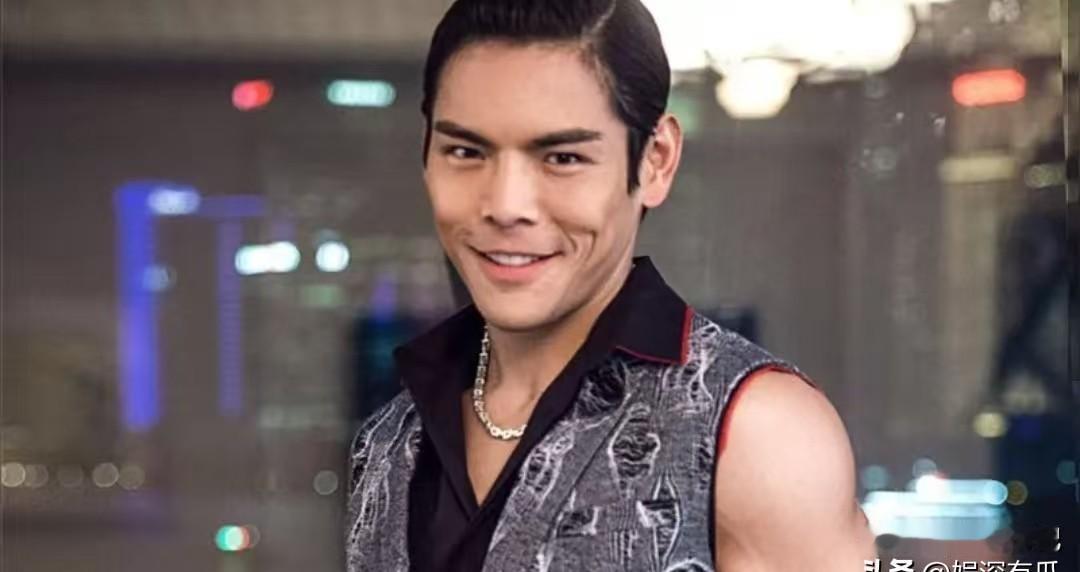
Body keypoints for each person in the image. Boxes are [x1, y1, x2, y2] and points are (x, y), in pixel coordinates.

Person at [346, 1, 878, 570]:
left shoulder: (758, 433)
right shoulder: (387, 439)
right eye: (466, 151)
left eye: (562, 157)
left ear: (656, 160)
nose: (505, 205)